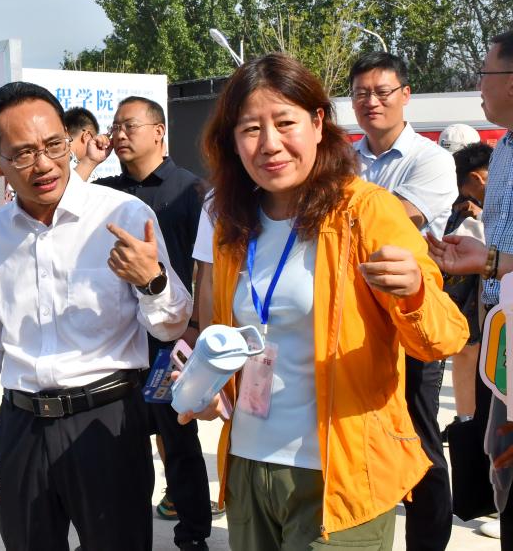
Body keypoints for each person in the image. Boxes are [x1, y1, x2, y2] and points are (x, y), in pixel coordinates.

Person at [189, 53, 467, 549]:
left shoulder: (367, 211)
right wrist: (206, 384)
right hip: (248, 464)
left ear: (318, 123)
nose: (269, 143)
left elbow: (445, 338)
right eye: (250, 129)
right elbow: (230, 334)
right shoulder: (233, 223)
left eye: (285, 123)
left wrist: (416, 293)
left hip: (340, 473)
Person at [0, 81, 193, 550]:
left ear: (69, 141)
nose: (44, 164)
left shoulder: (123, 215)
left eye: (53, 145)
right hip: (21, 427)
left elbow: (170, 325)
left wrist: (153, 280)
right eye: (23, 153)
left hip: (106, 424)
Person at [78, 95, 213, 549]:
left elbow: (205, 267)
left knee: (178, 439)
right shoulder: (107, 191)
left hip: (170, 340)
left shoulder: (190, 190)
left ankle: (192, 533)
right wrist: (88, 161)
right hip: (117, 342)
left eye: (129, 126)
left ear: (159, 132)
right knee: (121, 444)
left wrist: (195, 329)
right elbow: (64, 202)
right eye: (115, 126)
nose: (119, 134)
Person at [349, 51, 459, 550]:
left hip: (411, 322)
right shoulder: (345, 160)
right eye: (361, 94)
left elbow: (392, 220)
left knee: (417, 440)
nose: (371, 102)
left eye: (382, 92)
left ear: (405, 95)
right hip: (355, 320)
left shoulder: (431, 160)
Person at [429, 29, 513, 548]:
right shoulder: (502, 152)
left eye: (484, 73)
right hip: (500, 337)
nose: (478, 85)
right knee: (501, 467)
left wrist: (492, 260)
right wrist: (481, 260)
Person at [441, 140, 490, 435]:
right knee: (466, 351)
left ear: (476, 178)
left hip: (490, 300)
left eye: (467, 190)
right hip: (477, 301)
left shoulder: (493, 202)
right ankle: (467, 421)